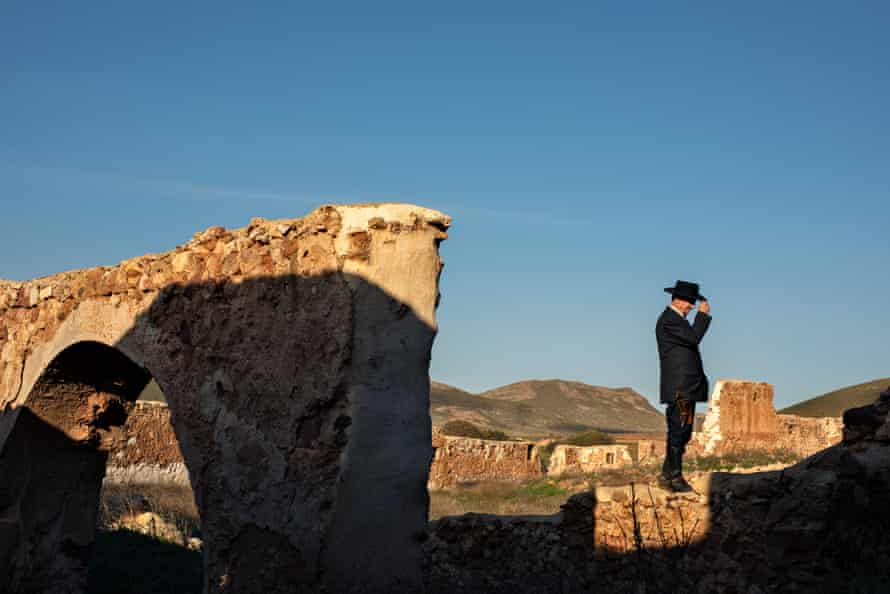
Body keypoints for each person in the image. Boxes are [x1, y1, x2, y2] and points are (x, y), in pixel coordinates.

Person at [655, 280, 711, 492]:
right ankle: (675, 478)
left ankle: (667, 474)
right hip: (680, 389)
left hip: (687, 389)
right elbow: (694, 338)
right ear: (678, 301)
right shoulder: (670, 320)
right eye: (690, 303)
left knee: (684, 431)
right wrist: (703, 316)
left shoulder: (678, 321)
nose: (692, 307)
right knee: (678, 430)